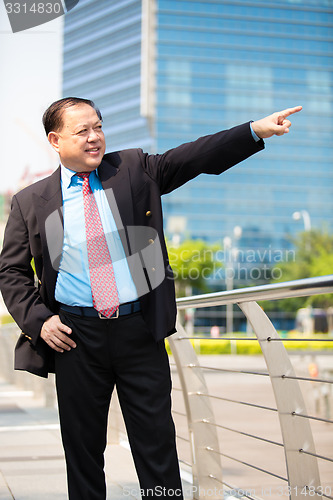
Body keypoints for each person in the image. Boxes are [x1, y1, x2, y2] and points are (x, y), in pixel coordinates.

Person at [0, 98, 302, 499]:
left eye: (98, 127)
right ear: (55, 140)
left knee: (157, 445)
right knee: (83, 450)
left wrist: (253, 131)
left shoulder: (132, 169)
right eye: (82, 131)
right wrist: (39, 320)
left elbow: (194, 156)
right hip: (75, 336)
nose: (95, 138)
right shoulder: (30, 201)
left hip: (138, 331)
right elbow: (11, 271)